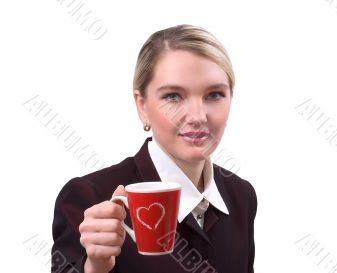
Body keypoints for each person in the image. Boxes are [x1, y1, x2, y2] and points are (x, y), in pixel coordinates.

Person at [51, 24, 257, 273]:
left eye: (214, 94)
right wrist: (94, 267)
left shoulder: (241, 195)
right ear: (142, 106)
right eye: (173, 96)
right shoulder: (90, 197)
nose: (197, 116)